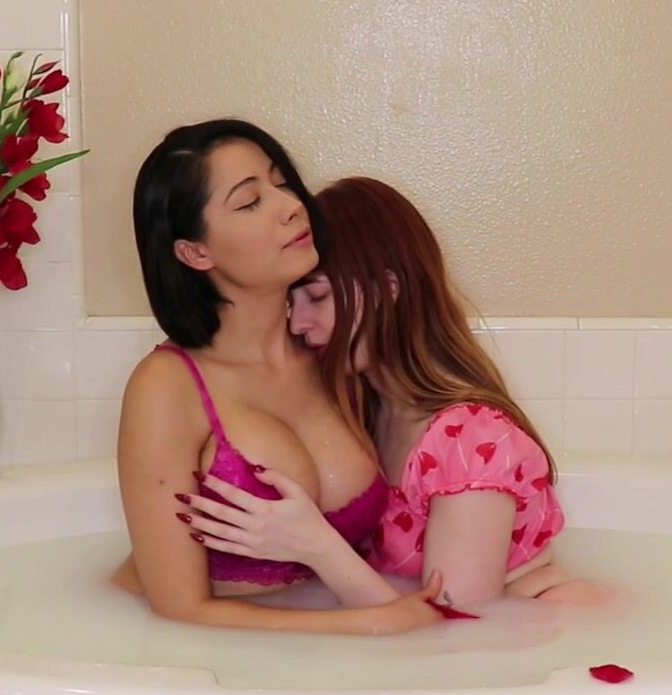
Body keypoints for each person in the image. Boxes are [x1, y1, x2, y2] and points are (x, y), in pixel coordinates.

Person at [178, 176, 605, 607]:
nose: (298, 323)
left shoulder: (474, 440)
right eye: (292, 303)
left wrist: (315, 546)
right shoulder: (365, 411)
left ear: (386, 291)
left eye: (318, 296)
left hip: (541, 622)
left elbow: (454, 626)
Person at [110, 122, 447, 634]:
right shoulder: (167, 387)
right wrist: (370, 626)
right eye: (249, 202)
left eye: (282, 183)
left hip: (322, 638)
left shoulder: (334, 355)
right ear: (195, 252)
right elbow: (180, 609)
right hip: (198, 651)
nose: (290, 206)